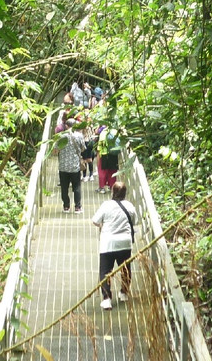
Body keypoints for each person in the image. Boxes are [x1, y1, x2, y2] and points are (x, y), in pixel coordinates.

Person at [91, 181, 138, 310]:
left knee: (105, 271)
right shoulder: (129, 206)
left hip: (108, 243)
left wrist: (102, 226)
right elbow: (135, 221)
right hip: (125, 243)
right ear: (125, 193)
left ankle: (107, 299)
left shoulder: (106, 205)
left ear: (112, 192)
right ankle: (124, 293)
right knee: (125, 269)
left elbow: (95, 220)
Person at [54, 123, 87, 213]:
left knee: (64, 187)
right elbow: (83, 148)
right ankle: (77, 207)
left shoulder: (61, 136)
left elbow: (55, 150)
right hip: (75, 166)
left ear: (66, 126)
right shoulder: (79, 136)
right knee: (77, 187)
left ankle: (66, 206)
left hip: (63, 166)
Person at [97, 125, 121, 193]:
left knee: (103, 171)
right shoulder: (116, 131)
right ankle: (112, 187)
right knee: (113, 171)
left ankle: (102, 188)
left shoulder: (103, 133)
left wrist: (98, 155)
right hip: (114, 154)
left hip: (104, 154)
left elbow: (100, 146)